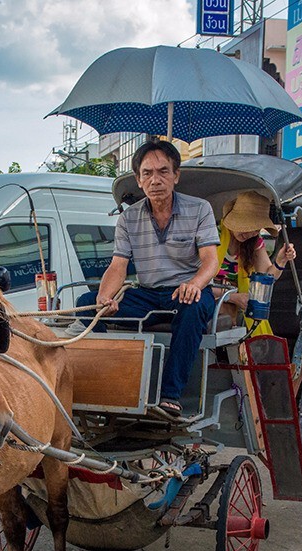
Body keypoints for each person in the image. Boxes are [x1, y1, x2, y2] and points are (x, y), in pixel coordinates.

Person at [76, 139, 220, 418]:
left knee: (193, 306)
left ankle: (170, 395)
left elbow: (210, 261)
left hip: (186, 291)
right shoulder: (128, 219)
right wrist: (105, 297)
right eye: (147, 173)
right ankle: (116, 377)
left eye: (163, 171)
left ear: (176, 176)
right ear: (139, 181)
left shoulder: (200, 209)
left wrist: (195, 284)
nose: (156, 179)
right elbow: (118, 265)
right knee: (86, 303)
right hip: (147, 293)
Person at [215, 190, 297, 322]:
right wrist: (233, 297)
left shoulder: (255, 243)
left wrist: (281, 261)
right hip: (207, 300)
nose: (251, 233)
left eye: (257, 229)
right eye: (247, 226)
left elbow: (266, 277)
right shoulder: (213, 236)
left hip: (235, 310)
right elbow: (197, 282)